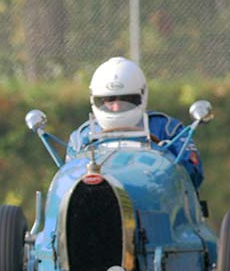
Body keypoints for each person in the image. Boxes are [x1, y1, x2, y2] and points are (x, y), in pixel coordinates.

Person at [66, 57, 204, 189]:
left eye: (126, 99)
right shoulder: (81, 138)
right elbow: (68, 183)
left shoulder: (168, 129)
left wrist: (165, 155)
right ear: (95, 100)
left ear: (141, 96)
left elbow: (194, 176)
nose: (116, 107)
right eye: (109, 100)